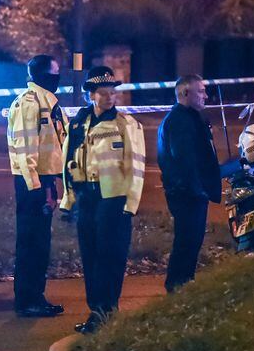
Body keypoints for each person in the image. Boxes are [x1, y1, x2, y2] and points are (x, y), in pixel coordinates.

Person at [61, 66, 145, 334]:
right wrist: (68, 200)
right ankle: (96, 312)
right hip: (88, 198)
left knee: (111, 257)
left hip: (114, 199)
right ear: (91, 96)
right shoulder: (78, 123)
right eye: (104, 93)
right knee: (91, 257)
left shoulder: (125, 124)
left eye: (112, 92)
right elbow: (68, 162)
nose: (110, 97)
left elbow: (136, 167)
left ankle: (107, 311)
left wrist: (130, 204)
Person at [6, 55, 68, 318]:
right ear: (42, 75)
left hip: (44, 179)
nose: (58, 77)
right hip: (32, 181)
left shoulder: (49, 103)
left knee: (41, 243)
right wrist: (36, 187)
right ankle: (27, 299)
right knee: (31, 242)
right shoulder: (29, 104)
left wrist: (53, 184)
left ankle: (36, 296)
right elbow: (26, 147)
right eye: (55, 72)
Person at [157, 74, 220, 293]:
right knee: (187, 241)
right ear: (185, 93)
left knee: (192, 240)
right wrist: (197, 190)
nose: (205, 95)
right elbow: (184, 159)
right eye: (200, 91)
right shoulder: (179, 121)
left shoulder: (191, 117)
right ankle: (177, 286)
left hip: (191, 192)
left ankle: (184, 283)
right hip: (186, 193)